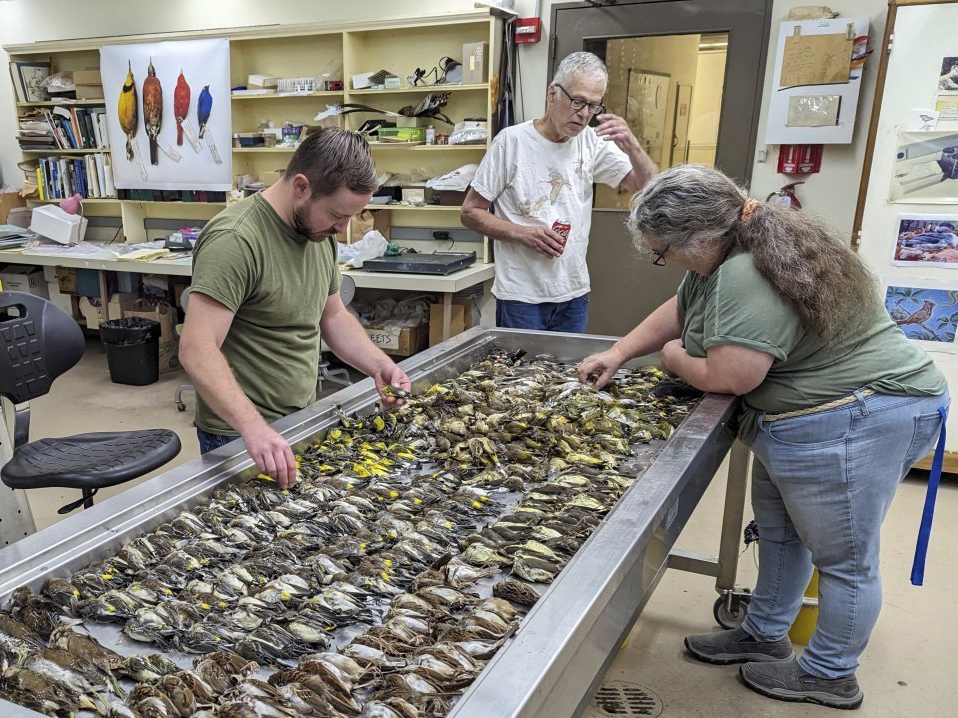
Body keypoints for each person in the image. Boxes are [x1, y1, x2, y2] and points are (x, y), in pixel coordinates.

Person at [578, 164, 949, 710]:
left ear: (699, 237)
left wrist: (673, 359)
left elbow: (732, 376)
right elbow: (681, 308)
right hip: (803, 421)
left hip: (858, 416)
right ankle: (764, 632)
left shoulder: (747, 270)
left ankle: (829, 675)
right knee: (781, 532)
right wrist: (618, 351)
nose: (664, 261)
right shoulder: (734, 246)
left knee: (843, 559)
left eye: (663, 251)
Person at [179, 128, 410, 488]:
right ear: (301, 186)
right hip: (242, 434)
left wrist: (378, 364)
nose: (342, 228)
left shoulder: (318, 233)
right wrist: (253, 428)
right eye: (336, 214)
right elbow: (196, 349)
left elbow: (332, 316)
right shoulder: (236, 240)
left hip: (300, 418)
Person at [461, 51, 657, 333]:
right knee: (520, 377)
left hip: (573, 294)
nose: (584, 114)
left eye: (593, 105)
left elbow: (648, 188)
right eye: (577, 101)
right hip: (521, 296)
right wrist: (523, 233)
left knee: (568, 377)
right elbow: (470, 212)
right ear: (552, 94)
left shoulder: (591, 142)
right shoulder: (512, 143)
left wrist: (633, 146)